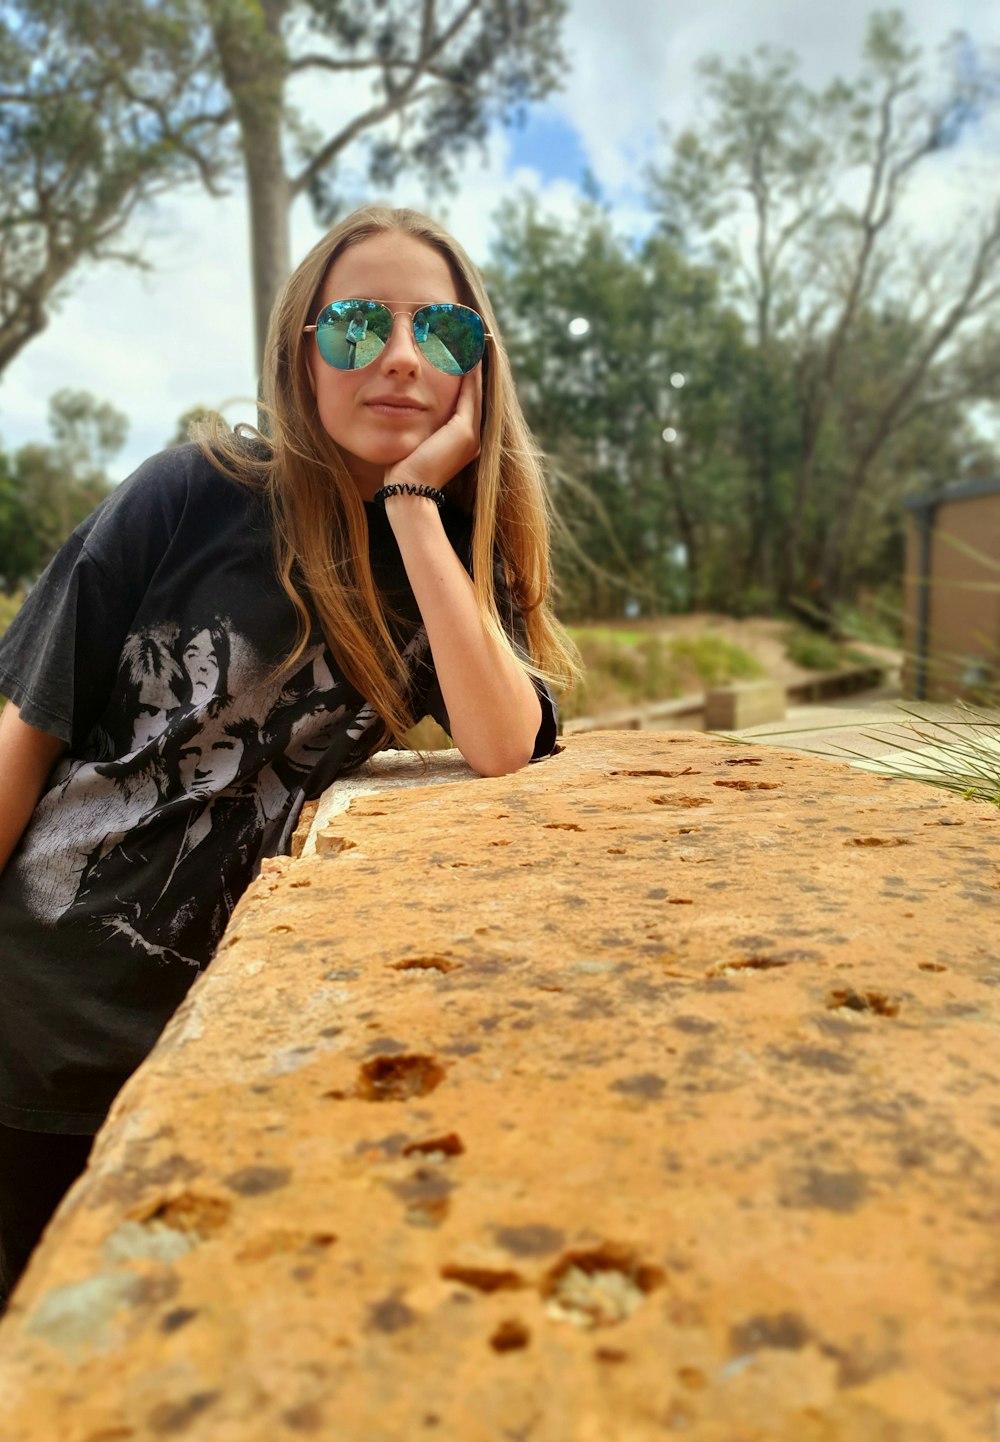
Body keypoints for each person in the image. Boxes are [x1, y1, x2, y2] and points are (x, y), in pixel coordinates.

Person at [0, 205, 576, 1307]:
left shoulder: (446, 565)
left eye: (443, 333)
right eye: (358, 323)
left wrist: (413, 503)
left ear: (478, 372)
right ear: (299, 349)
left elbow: (504, 742)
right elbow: (24, 731)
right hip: (37, 1025)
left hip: (217, 1049)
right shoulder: (189, 494)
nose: (401, 356)